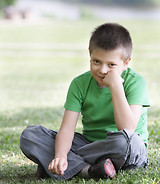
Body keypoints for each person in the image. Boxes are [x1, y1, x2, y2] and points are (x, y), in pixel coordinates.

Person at [20, 23, 150, 180]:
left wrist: (116, 85)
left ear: (126, 63)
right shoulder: (79, 83)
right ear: (90, 55)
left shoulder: (136, 82)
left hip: (125, 147)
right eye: (96, 61)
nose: (102, 70)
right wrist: (61, 155)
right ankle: (89, 170)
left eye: (111, 65)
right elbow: (67, 129)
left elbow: (127, 128)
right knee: (30, 135)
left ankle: (66, 165)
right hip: (89, 144)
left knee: (125, 142)